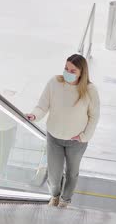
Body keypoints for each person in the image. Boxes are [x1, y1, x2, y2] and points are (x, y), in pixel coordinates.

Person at [26, 54, 100, 208]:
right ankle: (54, 196)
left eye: (73, 71)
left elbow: (94, 116)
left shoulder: (90, 90)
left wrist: (84, 136)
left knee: (72, 173)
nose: (67, 72)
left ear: (82, 73)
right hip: (54, 138)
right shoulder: (54, 83)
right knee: (54, 174)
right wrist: (34, 115)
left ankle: (65, 200)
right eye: (66, 68)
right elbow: (42, 106)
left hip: (76, 142)